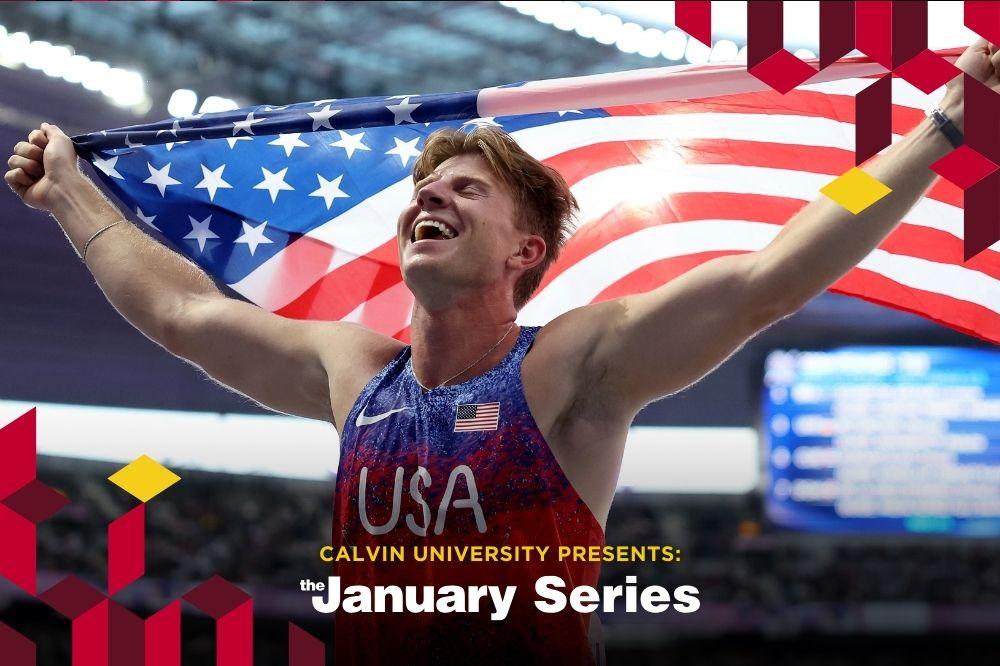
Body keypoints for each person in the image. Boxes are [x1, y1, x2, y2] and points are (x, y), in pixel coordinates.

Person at [6, 39, 998, 666]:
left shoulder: (576, 368)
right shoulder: (354, 373)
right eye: (428, 191)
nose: (431, 198)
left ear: (526, 251)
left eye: (466, 191)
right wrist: (73, 200)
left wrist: (939, 131)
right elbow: (182, 309)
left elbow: (775, 272)